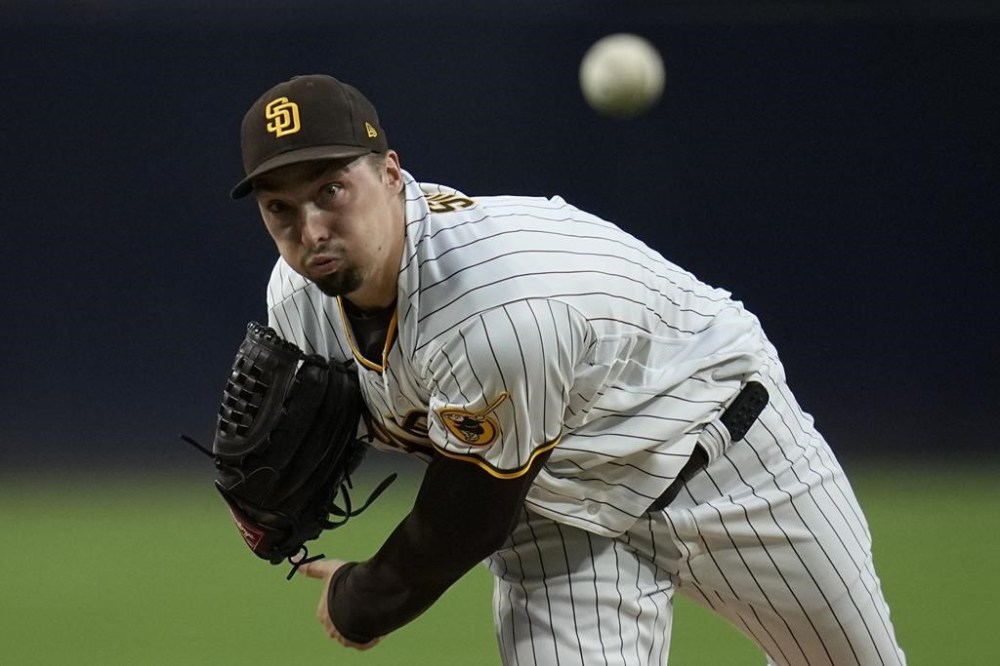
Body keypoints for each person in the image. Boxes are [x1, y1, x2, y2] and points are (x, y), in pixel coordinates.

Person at [229, 73, 906, 665]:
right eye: (280, 209)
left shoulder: (495, 305)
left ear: (392, 174)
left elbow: (467, 514)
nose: (310, 228)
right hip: (557, 511)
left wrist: (365, 596)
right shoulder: (296, 300)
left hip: (729, 460)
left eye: (331, 190)